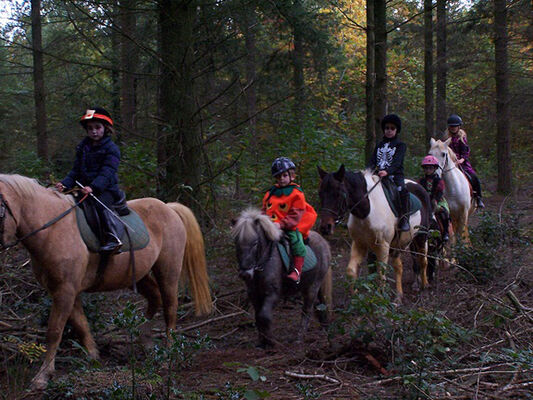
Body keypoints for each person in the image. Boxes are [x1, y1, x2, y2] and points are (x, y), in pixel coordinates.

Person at [55, 107, 124, 253]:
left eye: (97, 127)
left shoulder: (112, 149)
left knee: (99, 205)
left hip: (106, 190)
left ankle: (113, 238)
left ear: (105, 128)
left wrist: (93, 187)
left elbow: (108, 172)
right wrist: (64, 183)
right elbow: (75, 171)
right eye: (90, 128)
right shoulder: (83, 147)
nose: (94, 131)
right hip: (85, 188)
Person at [262, 157, 317, 283]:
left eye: (284, 175)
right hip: (269, 226)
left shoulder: (297, 194)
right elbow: (264, 209)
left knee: (297, 243)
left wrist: (281, 224)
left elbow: (296, 214)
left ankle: (297, 271)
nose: (281, 179)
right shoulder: (270, 193)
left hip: (288, 227)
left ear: (291, 176)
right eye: (278, 177)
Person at [367, 114, 410, 231]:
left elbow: (397, 162)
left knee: (402, 190)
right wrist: (368, 172)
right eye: (387, 128)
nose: (389, 131)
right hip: (378, 174)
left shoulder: (401, 145)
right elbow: (372, 160)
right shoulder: (379, 145)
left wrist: (387, 171)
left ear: (396, 130)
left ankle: (404, 218)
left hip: (395, 175)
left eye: (392, 128)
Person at [444, 114, 485, 208]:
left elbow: (465, 152)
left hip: (462, 162)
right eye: (451, 126)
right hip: (449, 163)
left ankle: (478, 198)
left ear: (459, 126)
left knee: (474, 177)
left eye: (455, 126)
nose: (453, 128)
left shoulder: (462, 138)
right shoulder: (446, 139)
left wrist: (461, 160)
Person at [418, 155, 450, 242]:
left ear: (435, 168)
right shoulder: (421, 181)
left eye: (430, 168)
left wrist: (435, 200)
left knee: (444, 213)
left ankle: (446, 233)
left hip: (437, 200)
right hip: (424, 201)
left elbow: (439, 192)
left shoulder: (439, 180)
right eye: (426, 168)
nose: (428, 170)